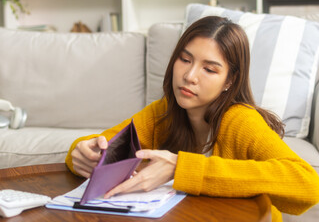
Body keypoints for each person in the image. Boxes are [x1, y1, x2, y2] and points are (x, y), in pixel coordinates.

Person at [65, 16, 319, 222]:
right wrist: (81, 151)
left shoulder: (240, 120)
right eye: (185, 60)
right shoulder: (163, 111)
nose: (190, 76)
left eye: (209, 69)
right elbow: (106, 142)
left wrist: (182, 167)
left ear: (229, 81)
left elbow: (308, 184)